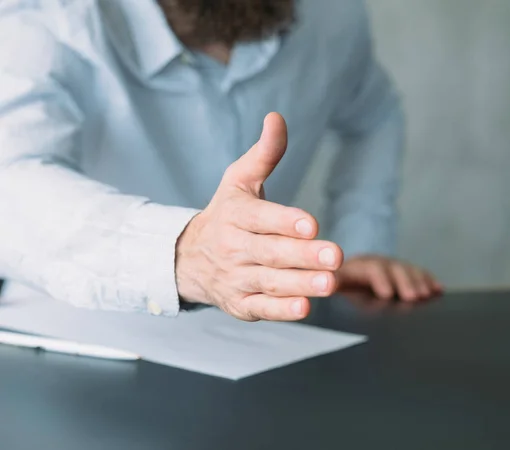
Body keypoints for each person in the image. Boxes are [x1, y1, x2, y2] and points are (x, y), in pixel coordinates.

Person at [0, 0, 442, 322]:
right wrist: (182, 253)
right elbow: (11, 184)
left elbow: (372, 115)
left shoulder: (332, 16)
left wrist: (360, 243)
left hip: (266, 344)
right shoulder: (39, 20)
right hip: (71, 344)